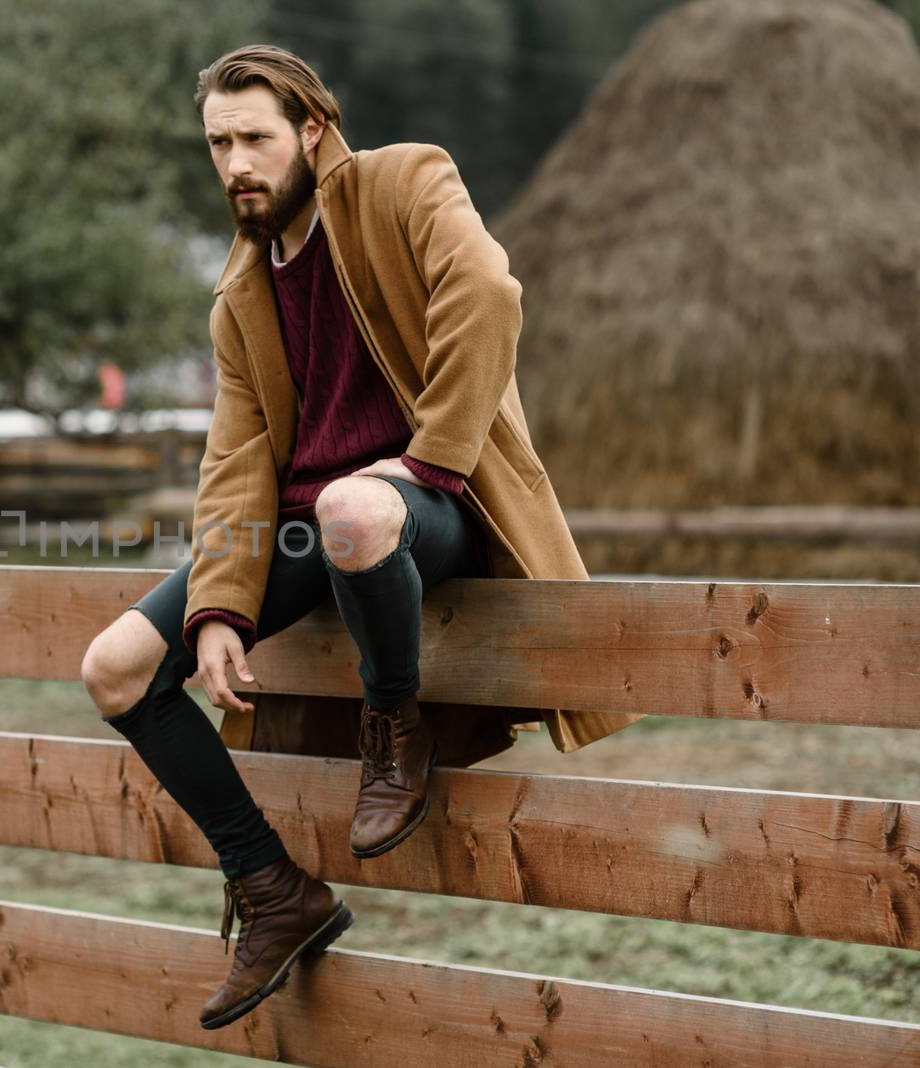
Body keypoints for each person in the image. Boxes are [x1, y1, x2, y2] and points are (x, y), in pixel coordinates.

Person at [80, 44, 640, 1032]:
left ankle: (395, 726)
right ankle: (269, 888)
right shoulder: (241, 291)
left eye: (253, 137)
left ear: (310, 128)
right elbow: (236, 457)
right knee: (117, 667)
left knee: (352, 505)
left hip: (435, 508)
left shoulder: (405, 181)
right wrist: (217, 606)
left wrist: (425, 464)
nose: (235, 162)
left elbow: (489, 300)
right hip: (310, 525)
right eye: (218, 143)